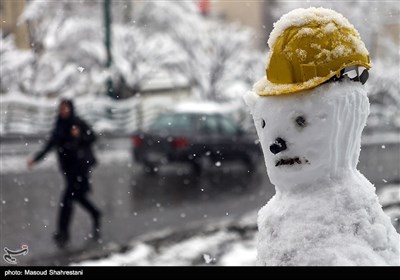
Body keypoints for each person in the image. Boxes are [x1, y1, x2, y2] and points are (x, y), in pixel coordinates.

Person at [27, 99, 101, 248]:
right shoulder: (59, 126)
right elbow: (50, 145)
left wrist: (79, 136)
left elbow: (92, 137)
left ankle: (63, 233)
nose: (64, 111)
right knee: (78, 197)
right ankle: (95, 214)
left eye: (66, 108)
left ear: (71, 109)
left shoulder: (78, 123)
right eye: (61, 108)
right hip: (67, 169)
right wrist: (36, 159)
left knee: (67, 200)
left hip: (80, 167)